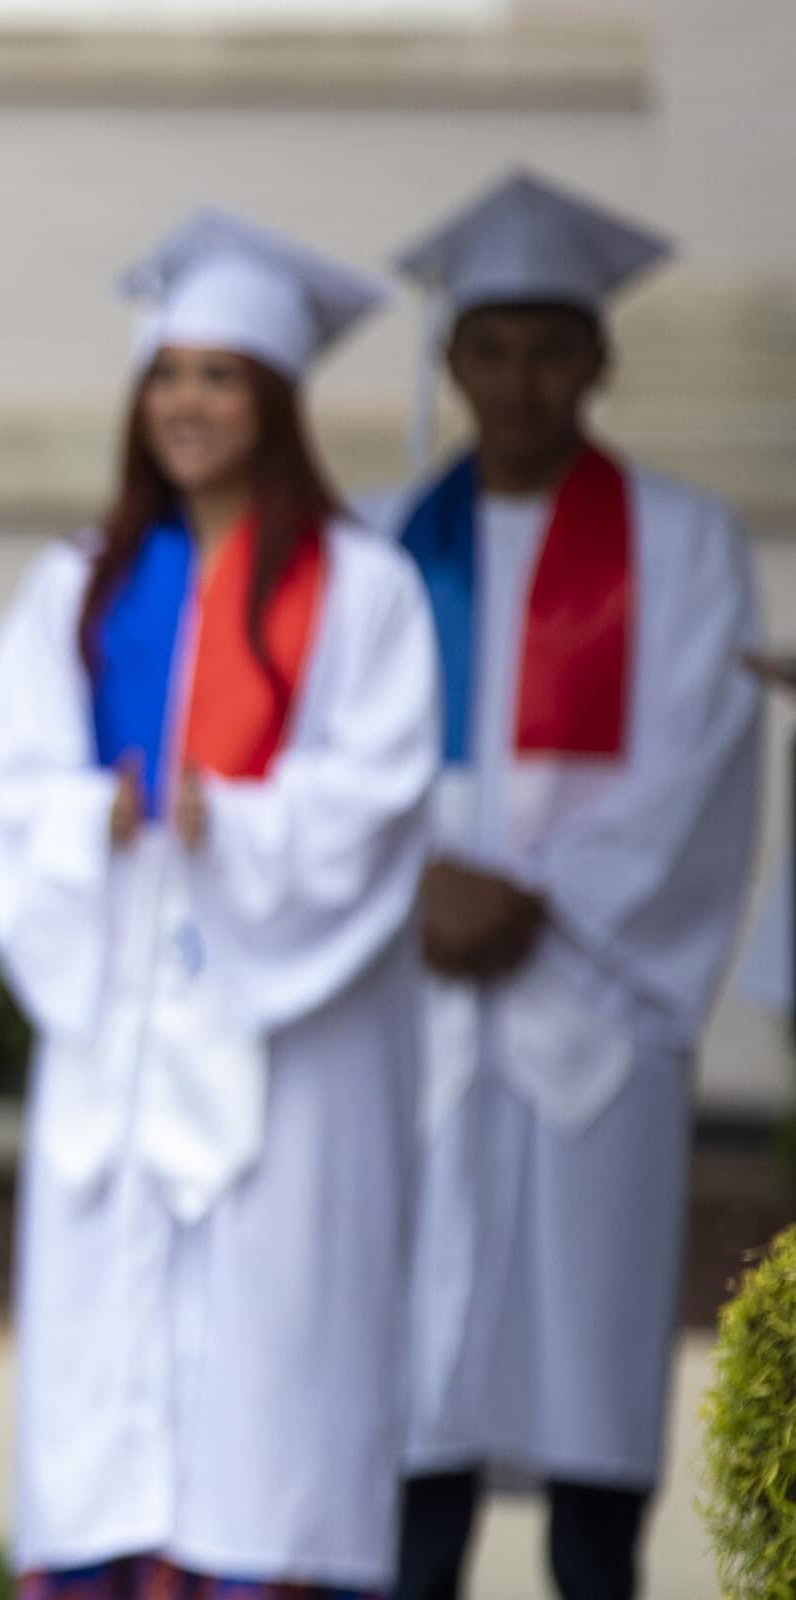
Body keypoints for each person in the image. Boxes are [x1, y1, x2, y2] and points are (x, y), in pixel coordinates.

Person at [0, 210, 441, 1599]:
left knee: (270, 1351)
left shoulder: (361, 590)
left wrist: (234, 824)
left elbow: (382, 791)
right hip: (120, 1005)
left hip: (280, 1033)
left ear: (279, 400)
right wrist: (90, 818)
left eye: (221, 376)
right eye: (167, 375)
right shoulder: (81, 582)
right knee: (113, 1344)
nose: (187, 403)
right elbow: (18, 782)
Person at [377, 170, 762, 1600]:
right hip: (417, 1019)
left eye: (551, 345)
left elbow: (700, 770)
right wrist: (417, 888)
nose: (521, 378)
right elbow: (336, 767)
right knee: (415, 1426)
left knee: (591, 1419)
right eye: (491, 346)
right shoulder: (378, 542)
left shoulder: (684, 542)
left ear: (598, 356)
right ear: (451, 360)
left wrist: (524, 898)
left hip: (594, 1020)